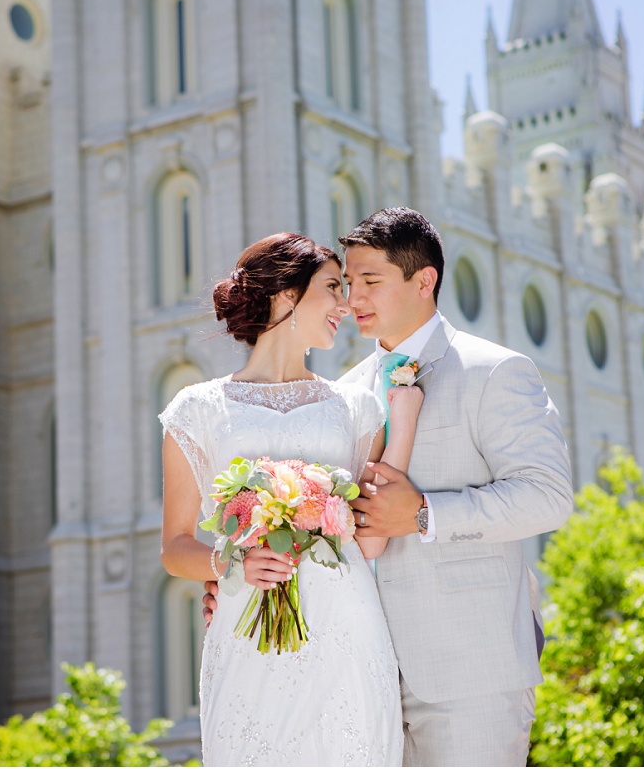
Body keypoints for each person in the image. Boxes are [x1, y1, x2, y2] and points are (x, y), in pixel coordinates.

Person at [205, 208, 574, 766]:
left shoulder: (493, 371)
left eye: (369, 281)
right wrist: (238, 576)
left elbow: (547, 496)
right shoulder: (339, 395)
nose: (352, 299)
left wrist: (424, 512)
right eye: (347, 284)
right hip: (351, 671)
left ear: (424, 281)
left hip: (469, 672)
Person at [159, 232, 423, 767]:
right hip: (246, 631)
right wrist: (231, 560)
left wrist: (406, 421)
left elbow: (371, 532)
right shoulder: (197, 409)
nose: (345, 305)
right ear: (286, 295)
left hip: (348, 630)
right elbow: (174, 547)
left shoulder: (356, 407)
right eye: (332, 287)